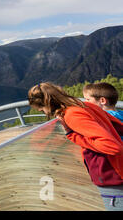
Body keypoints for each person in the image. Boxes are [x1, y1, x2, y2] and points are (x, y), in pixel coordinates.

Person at [28, 82, 123, 211]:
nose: (44, 112)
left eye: (42, 109)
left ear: (48, 103)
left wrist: (73, 135)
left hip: (111, 174)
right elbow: (117, 125)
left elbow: (112, 146)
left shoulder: (72, 114)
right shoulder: (85, 105)